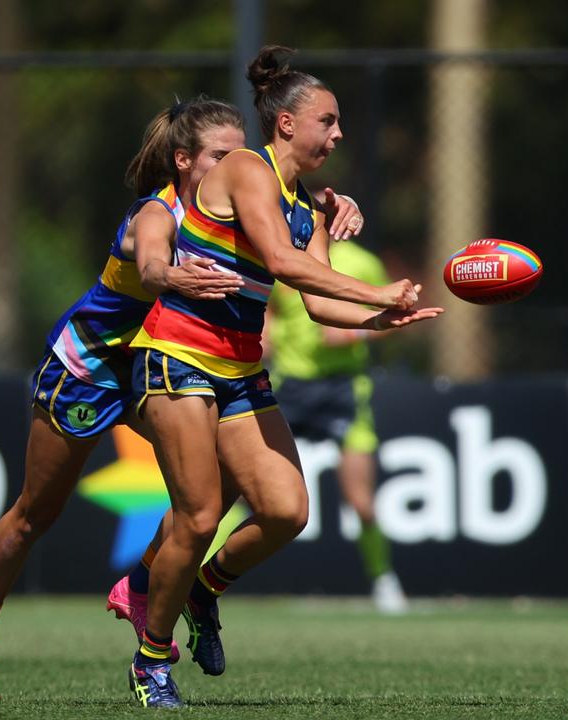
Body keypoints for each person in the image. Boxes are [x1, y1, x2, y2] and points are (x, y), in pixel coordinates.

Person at [0, 96, 365, 705]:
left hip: (164, 363)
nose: (237, 163)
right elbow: (149, 266)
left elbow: (289, 223)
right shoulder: (159, 211)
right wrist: (173, 276)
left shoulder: (246, 200)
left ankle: (144, 585)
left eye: (239, 153)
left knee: (218, 488)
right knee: (36, 513)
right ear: (183, 160)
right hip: (91, 367)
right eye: (221, 155)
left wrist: (329, 202)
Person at [125, 45, 442, 708]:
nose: (339, 133)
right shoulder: (246, 166)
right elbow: (280, 261)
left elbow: (317, 301)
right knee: (200, 512)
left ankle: (205, 592)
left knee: (286, 510)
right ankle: (151, 659)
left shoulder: (308, 202)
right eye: (327, 120)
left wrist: (378, 321)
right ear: (288, 124)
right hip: (177, 356)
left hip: (239, 369)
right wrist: (379, 291)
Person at [266, 238, 409, 614]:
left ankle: (384, 580)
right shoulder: (283, 256)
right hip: (291, 385)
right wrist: (267, 337)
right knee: (239, 489)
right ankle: (198, 577)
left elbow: (398, 314)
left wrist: (356, 331)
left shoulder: (362, 261)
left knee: (361, 501)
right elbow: (270, 311)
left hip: (344, 386)